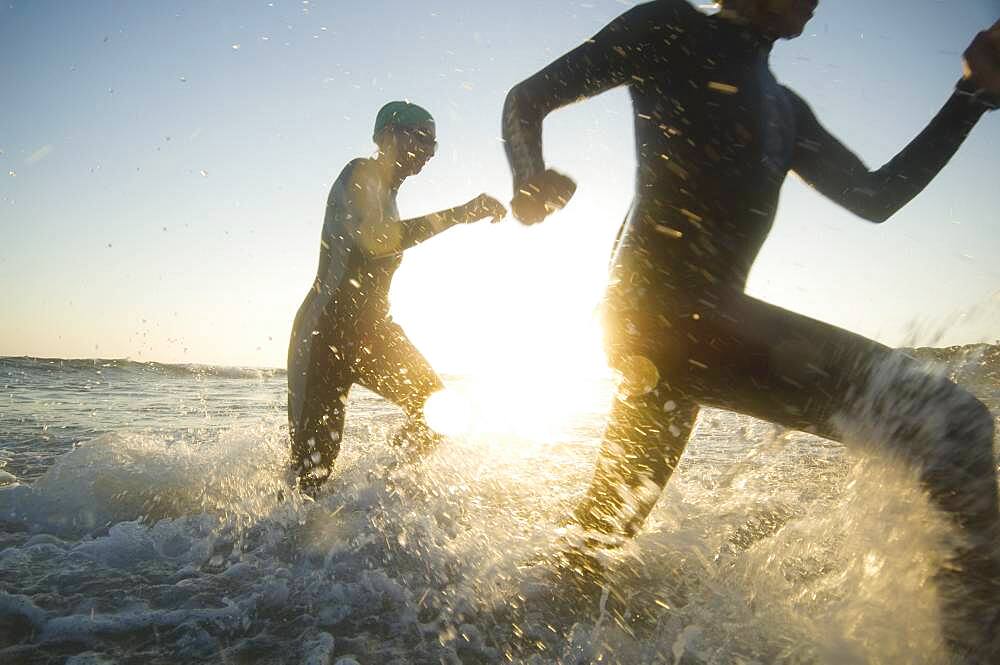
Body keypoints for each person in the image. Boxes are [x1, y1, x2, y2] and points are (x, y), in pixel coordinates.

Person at [502, 0, 1000, 658]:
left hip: (677, 332)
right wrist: (527, 173)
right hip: (666, 312)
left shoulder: (785, 108)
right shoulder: (671, 26)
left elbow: (879, 195)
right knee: (950, 423)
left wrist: (971, 95)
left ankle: (504, 632)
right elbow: (527, 97)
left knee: (602, 536)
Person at [288, 101, 506, 496]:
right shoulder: (360, 173)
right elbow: (375, 241)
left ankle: (371, 497)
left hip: (373, 331)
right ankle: (258, 551)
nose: (426, 151)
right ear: (386, 136)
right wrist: (459, 213)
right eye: (420, 138)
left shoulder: (390, 195)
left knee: (438, 411)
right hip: (324, 332)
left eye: (433, 145)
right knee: (310, 478)